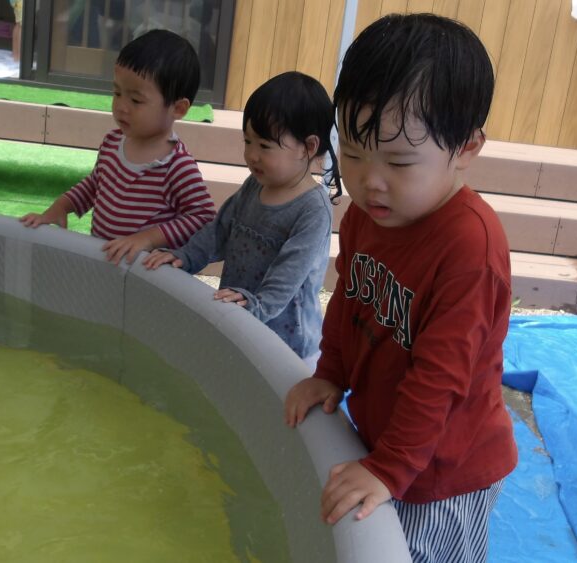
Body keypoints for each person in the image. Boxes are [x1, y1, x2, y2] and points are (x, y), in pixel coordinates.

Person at [284, 13, 517, 563]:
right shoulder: (369, 214)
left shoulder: (469, 249)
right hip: (387, 439)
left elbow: (439, 379)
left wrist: (388, 469)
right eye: (354, 153)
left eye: (399, 161)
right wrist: (330, 374)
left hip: (445, 471)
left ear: (466, 148)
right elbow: (348, 302)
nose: (370, 181)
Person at [143, 71, 340, 369]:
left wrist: (257, 305)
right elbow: (219, 231)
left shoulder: (313, 209)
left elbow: (289, 274)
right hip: (241, 318)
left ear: (309, 147)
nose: (251, 155)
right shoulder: (254, 186)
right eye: (248, 141)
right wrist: (186, 257)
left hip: (287, 344)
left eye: (265, 146)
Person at [20, 29, 215, 265]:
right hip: (105, 261)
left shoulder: (176, 165)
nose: (121, 106)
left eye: (136, 100)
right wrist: (61, 206)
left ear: (178, 108)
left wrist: (147, 238)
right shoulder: (112, 143)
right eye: (117, 93)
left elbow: (202, 217)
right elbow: (94, 184)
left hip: (144, 274)